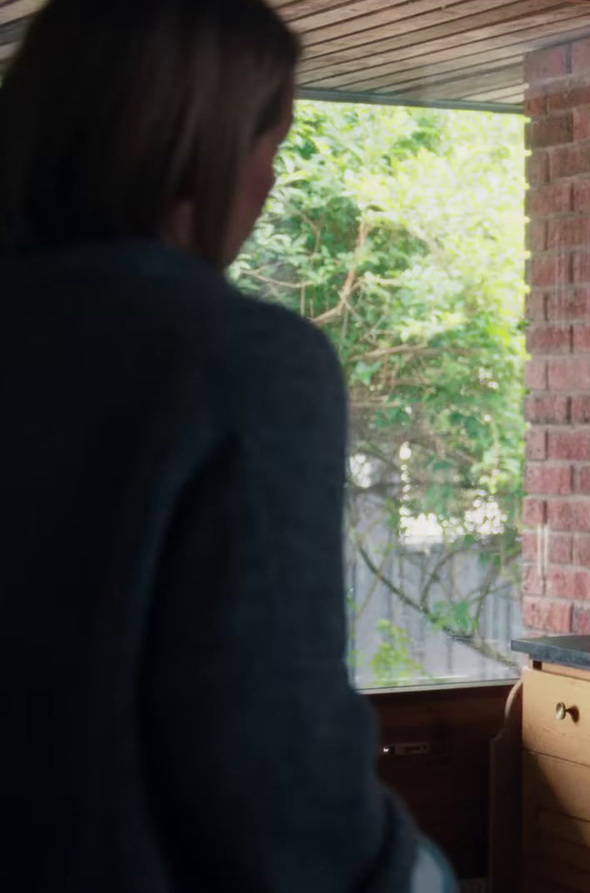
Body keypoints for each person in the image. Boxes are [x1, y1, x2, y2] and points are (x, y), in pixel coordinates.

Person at [0, 1, 448, 889]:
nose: (269, 185)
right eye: (270, 150)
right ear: (196, 155)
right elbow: (270, 758)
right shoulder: (235, 361)